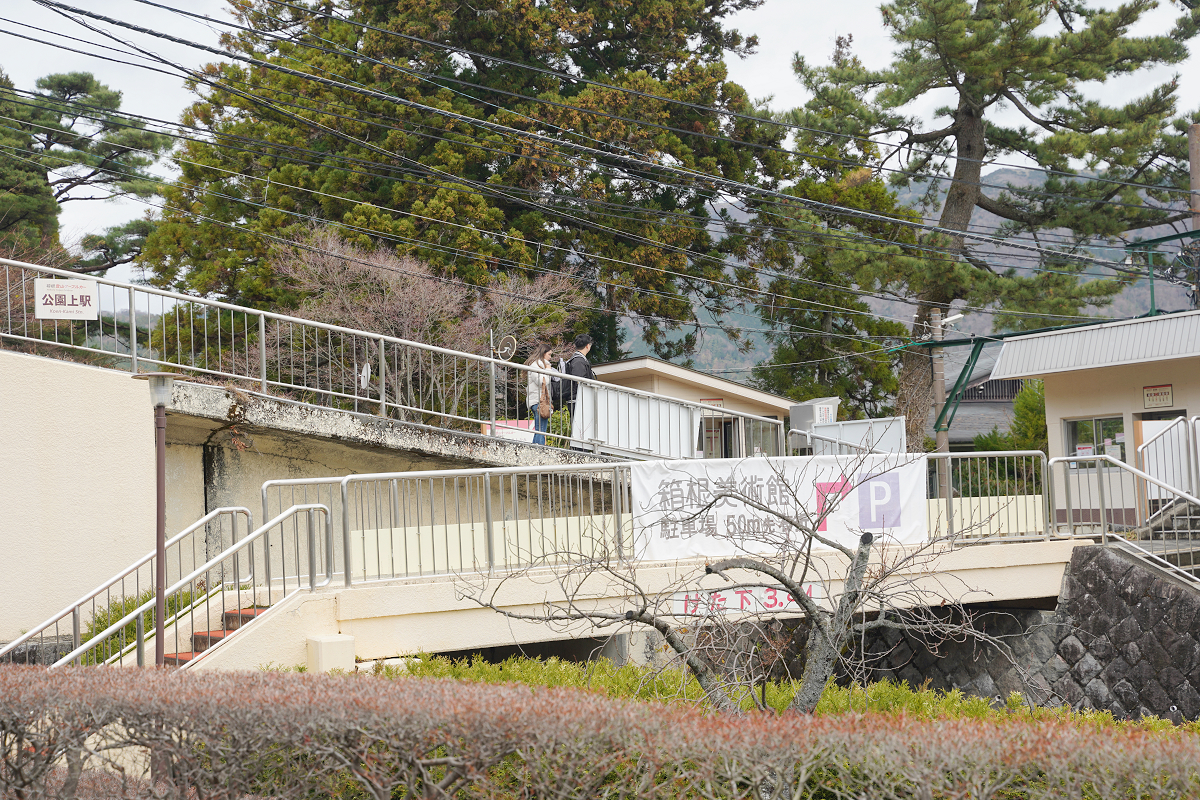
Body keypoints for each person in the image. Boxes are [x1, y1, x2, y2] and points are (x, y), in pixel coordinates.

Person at [561, 334, 595, 451]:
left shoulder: (576, 359)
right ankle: (579, 451)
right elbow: (579, 379)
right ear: (587, 346)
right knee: (580, 427)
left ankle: (580, 450)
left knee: (580, 427)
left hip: (577, 398)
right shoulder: (579, 361)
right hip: (578, 399)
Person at [525, 342, 554, 446]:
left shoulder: (537, 365)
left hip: (537, 400)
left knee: (540, 429)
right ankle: (539, 450)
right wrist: (548, 370)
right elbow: (542, 381)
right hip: (538, 401)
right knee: (541, 429)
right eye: (549, 354)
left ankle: (535, 448)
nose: (550, 357)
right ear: (543, 353)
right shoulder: (536, 365)